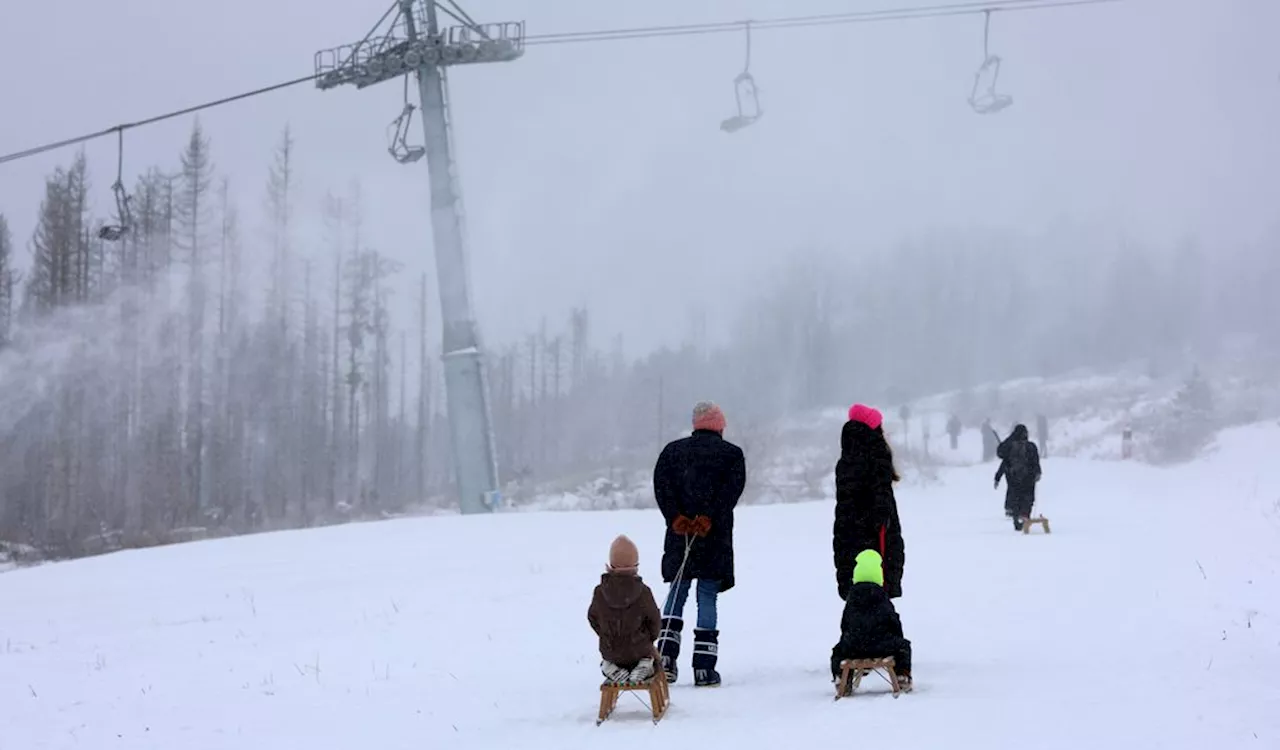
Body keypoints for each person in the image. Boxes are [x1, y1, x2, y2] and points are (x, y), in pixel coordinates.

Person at [653, 401, 746, 687]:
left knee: (677, 589)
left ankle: (665, 660)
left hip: (680, 534)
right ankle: (704, 668)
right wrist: (708, 518)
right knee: (707, 594)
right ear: (719, 425)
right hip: (714, 536)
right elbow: (730, 493)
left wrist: (677, 518)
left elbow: (661, 487)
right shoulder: (731, 455)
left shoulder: (672, 452)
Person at [834, 404, 905, 600]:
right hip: (876, 541)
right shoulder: (875, 456)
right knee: (876, 598)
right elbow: (881, 504)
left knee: (859, 597)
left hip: (848, 539)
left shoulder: (847, 459)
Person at [830, 549, 912, 691]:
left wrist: (849, 639)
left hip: (854, 646)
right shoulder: (882, 598)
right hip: (882, 644)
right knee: (903, 646)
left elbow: (845, 624)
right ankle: (902, 675)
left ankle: (842, 678)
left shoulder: (852, 600)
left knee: (838, 651)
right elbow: (894, 622)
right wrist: (895, 638)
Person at [588, 535, 663, 684]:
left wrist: (605, 634)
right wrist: (649, 638)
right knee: (654, 659)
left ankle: (610, 666)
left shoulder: (600, 591)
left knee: (610, 658)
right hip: (639, 649)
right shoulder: (643, 591)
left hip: (610, 650)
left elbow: (593, 618)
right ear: (635, 565)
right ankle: (644, 666)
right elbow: (655, 621)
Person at [995, 424, 1042, 530]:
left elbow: (1001, 455)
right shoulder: (1031, 446)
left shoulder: (1010, 446)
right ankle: (1025, 516)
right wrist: (1037, 473)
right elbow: (1036, 462)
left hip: (1013, 477)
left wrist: (998, 476)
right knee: (1028, 498)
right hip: (1029, 478)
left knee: (1015, 498)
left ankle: (1017, 521)